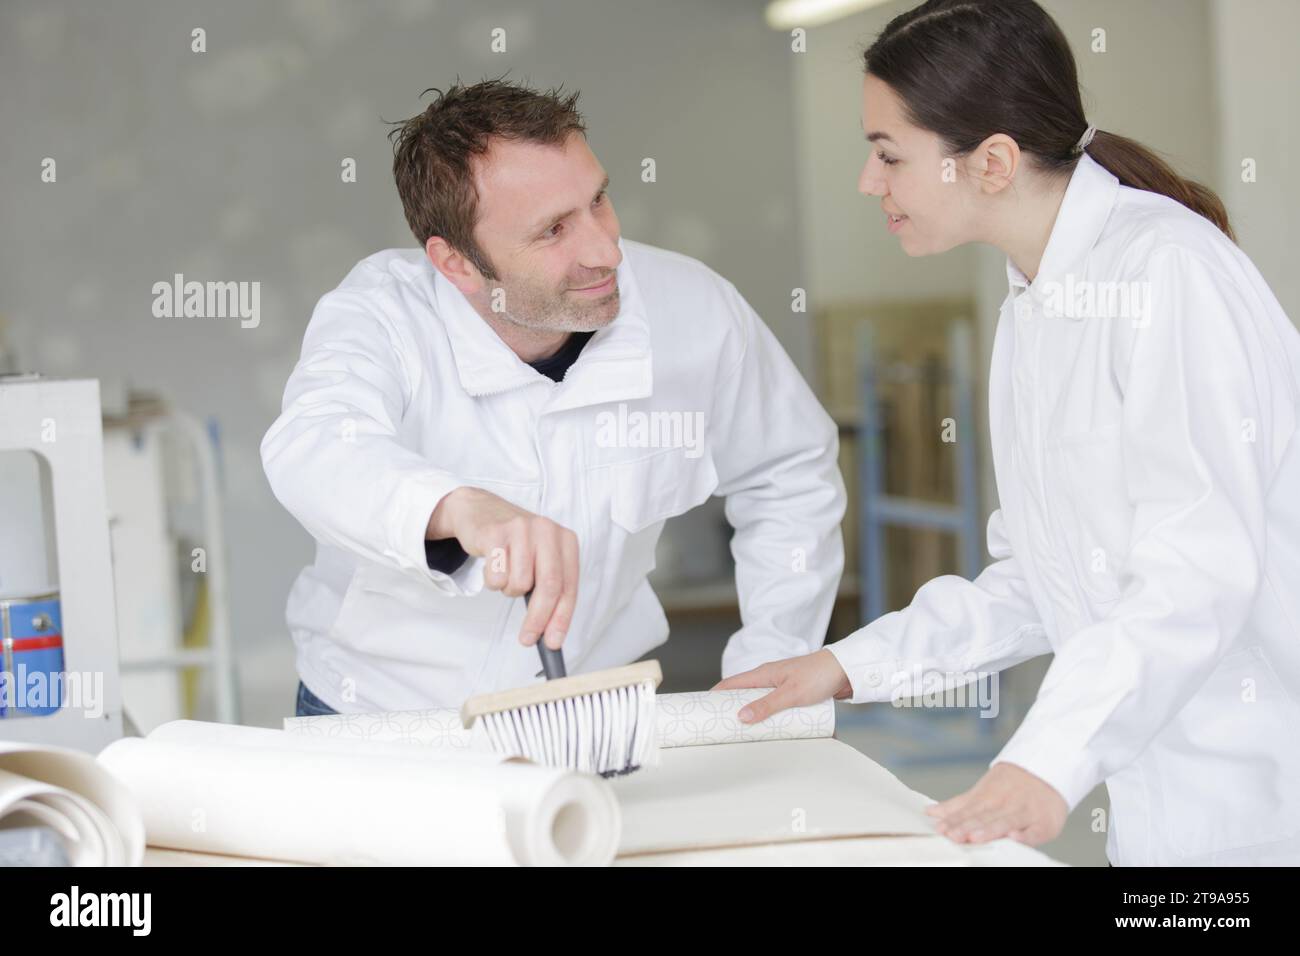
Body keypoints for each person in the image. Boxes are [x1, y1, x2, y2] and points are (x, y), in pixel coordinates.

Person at [717, 0, 1300, 866]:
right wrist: (847, 666)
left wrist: (1046, 759)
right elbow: (1040, 578)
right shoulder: (1033, 300)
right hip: (1166, 804)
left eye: (888, 155)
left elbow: (1198, 571)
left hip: (1258, 792)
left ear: (990, 162)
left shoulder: (1168, 272)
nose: (869, 183)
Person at [262, 79, 845, 718]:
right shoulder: (380, 314)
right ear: (455, 263)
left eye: (598, 200)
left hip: (584, 720)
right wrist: (461, 508)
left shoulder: (695, 309)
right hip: (378, 715)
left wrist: (772, 658)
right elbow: (314, 444)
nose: (605, 249)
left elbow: (789, 471)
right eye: (553, 231)